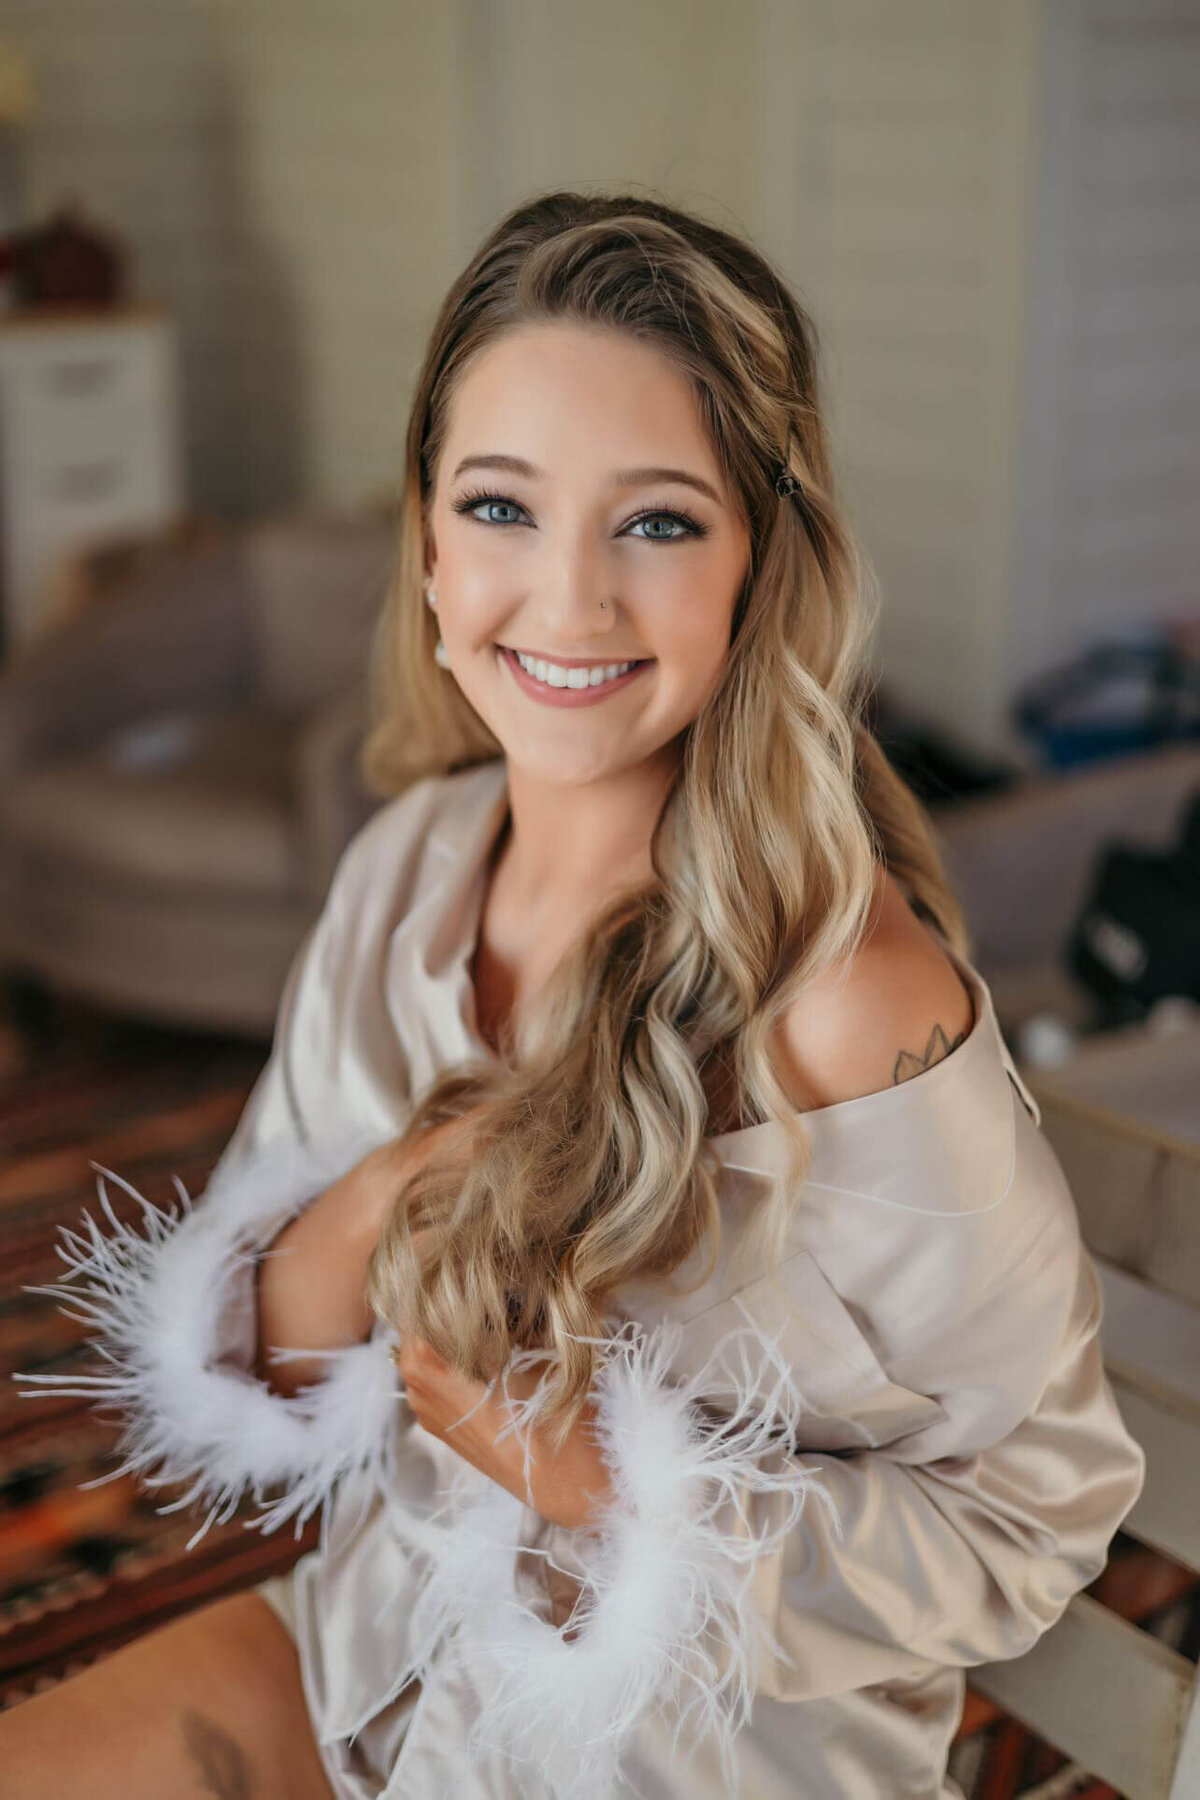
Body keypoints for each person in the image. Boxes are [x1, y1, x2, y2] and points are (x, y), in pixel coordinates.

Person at [7, 190, 1145, 1800]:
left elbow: (1038, 1510)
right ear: (420, 542)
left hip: (686, 1756)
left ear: (763, 565)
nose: (568, 600)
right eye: (499, 507)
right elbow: (267, 1339)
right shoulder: (407, 865)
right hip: (367, 1655)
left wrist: (588, 1477)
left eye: (660, 520)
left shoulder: (847, 1004)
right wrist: (403, 1187)